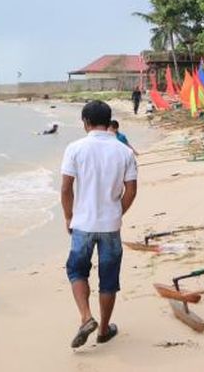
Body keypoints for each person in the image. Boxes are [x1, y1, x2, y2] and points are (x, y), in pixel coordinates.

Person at [61, 101, 137, 348]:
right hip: (110, 226)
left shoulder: (75, 148)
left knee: (76, 271)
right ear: (108, 121)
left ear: (85, 122)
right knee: (109, 279)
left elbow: (66, 188)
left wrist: (68, 216)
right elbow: (131, 190)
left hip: (83, 223)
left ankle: (86, 317)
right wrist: (117, 212)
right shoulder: (124, 151)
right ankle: (103, 329)